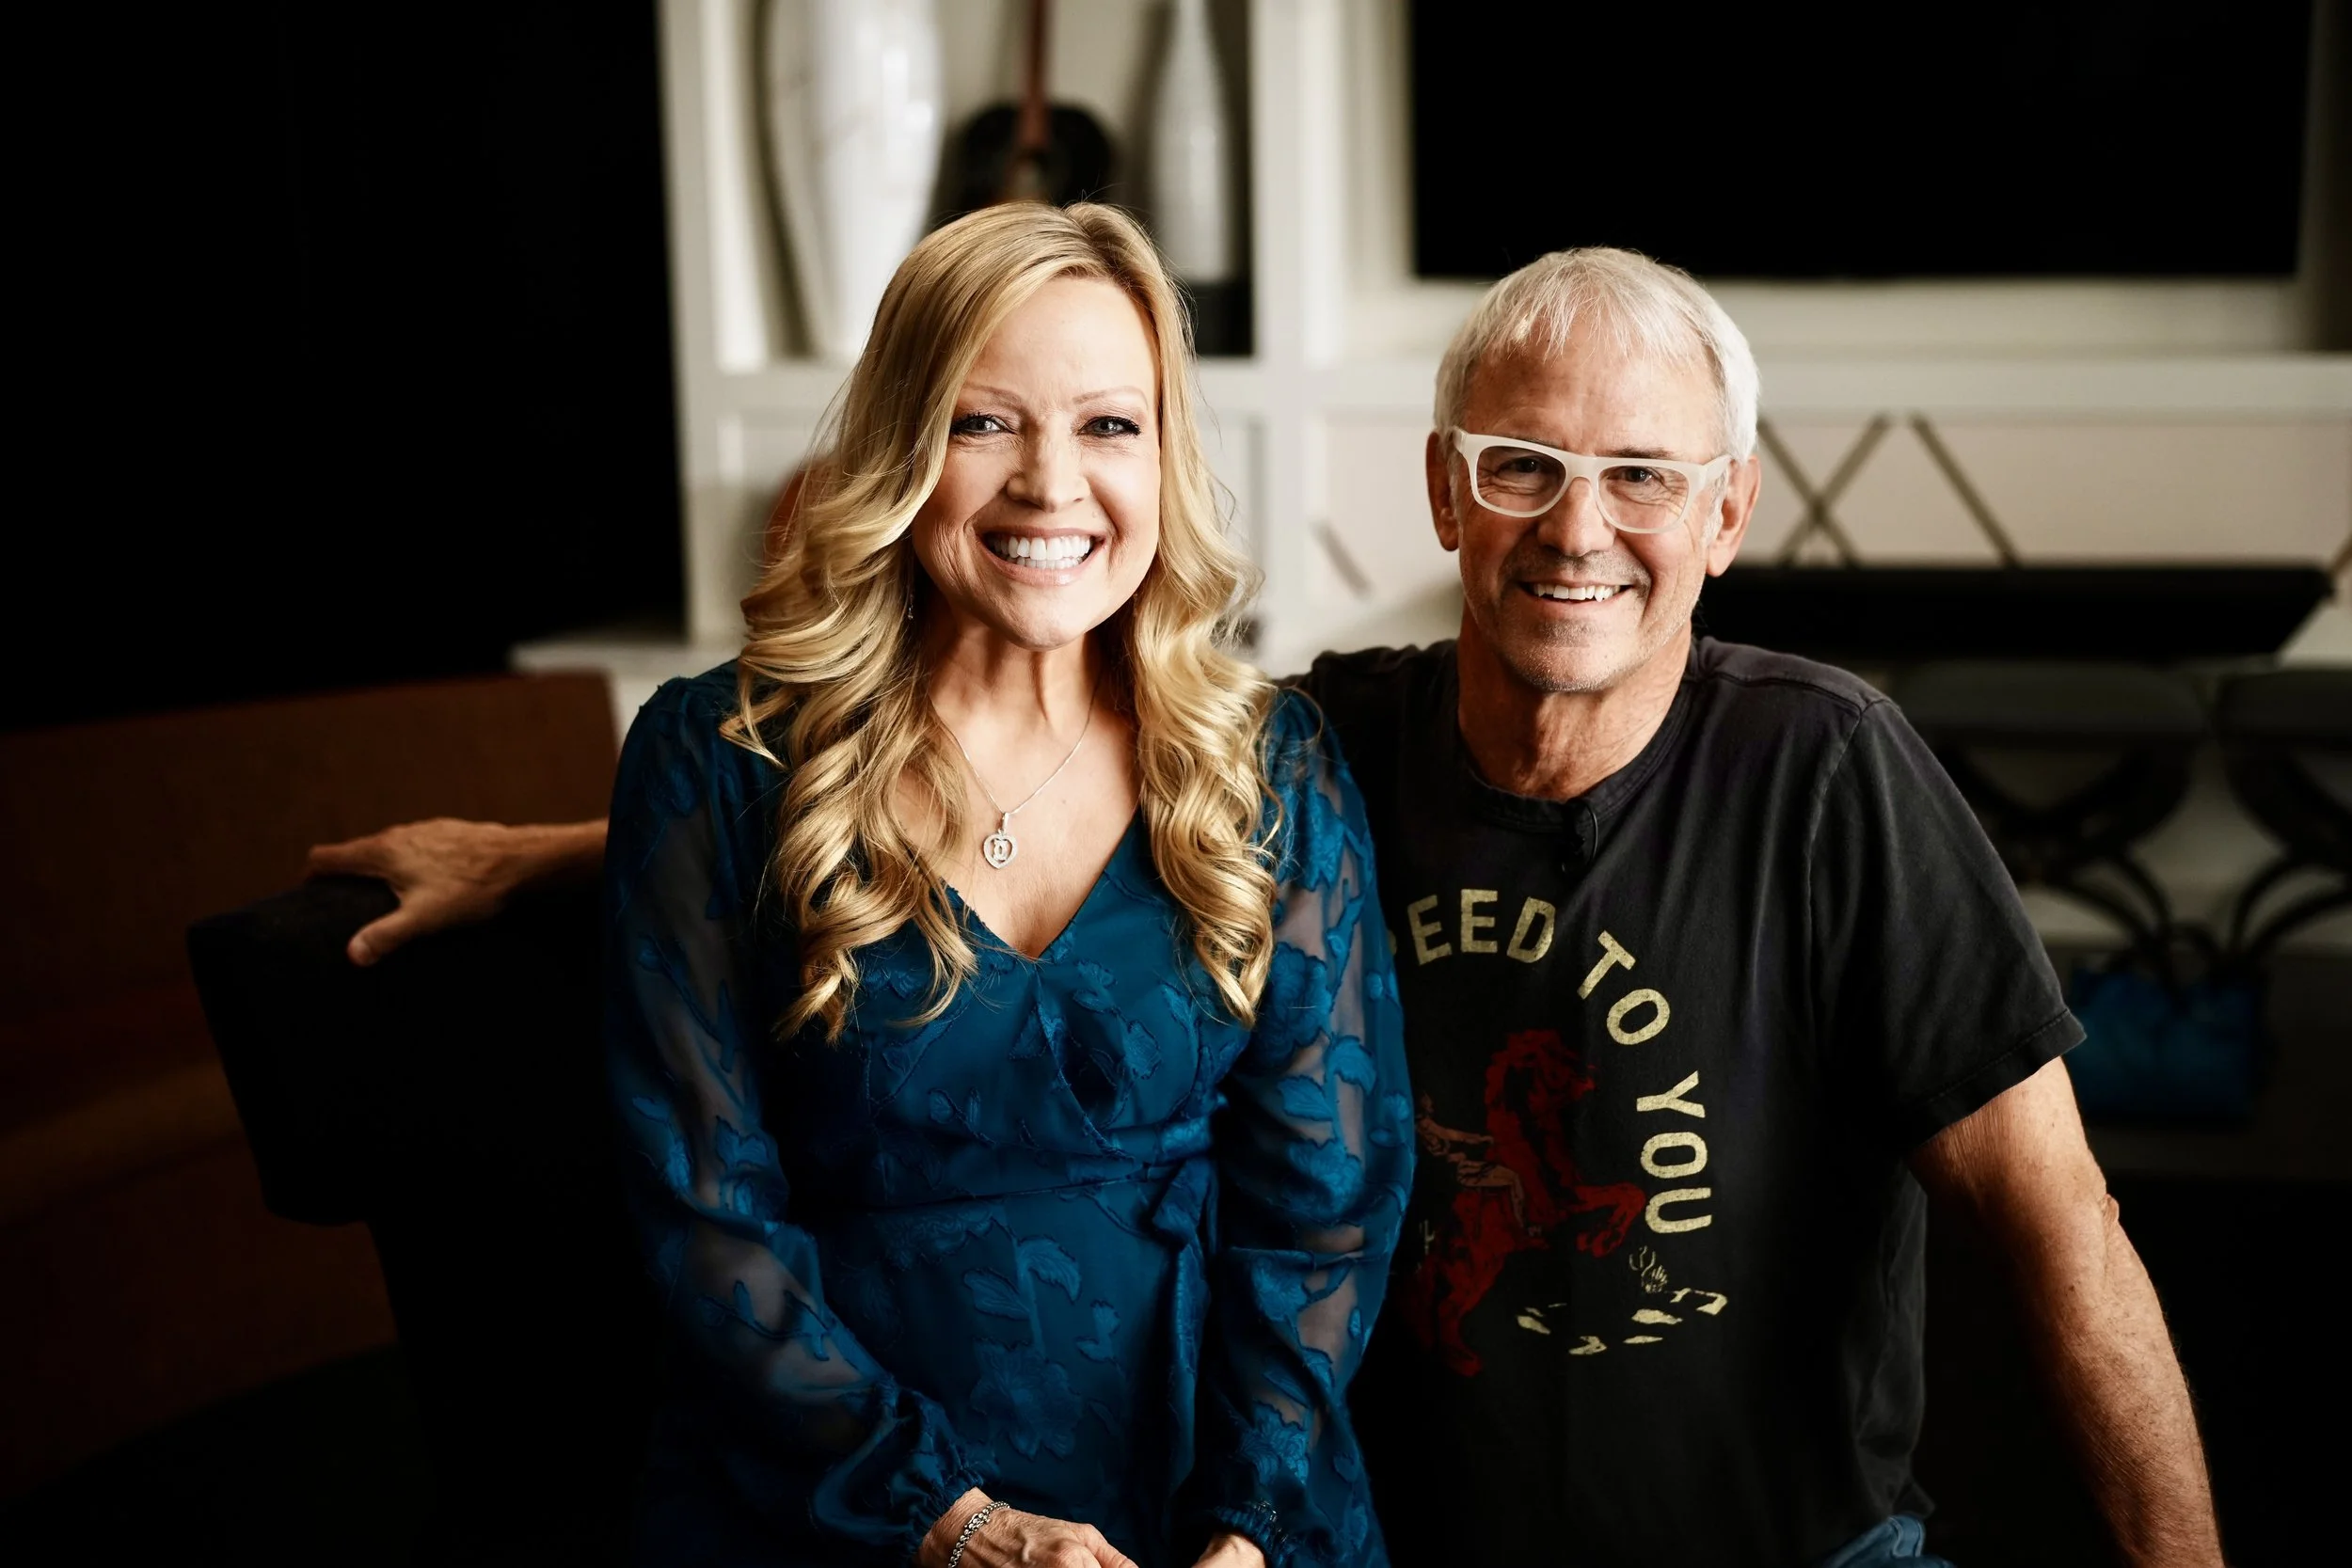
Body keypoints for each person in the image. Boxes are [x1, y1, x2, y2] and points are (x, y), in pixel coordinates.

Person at [315, 246, 2224, 1566]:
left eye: (1641, 475)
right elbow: (909, 814)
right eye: (1520, 466)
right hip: (1213, 1516)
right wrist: (564, 847)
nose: (1576, 527)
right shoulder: (1322, 742)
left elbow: (2060, 1227)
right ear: (1442, 493)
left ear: (1721, 514)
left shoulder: (1799, 769)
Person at [537, 201, 1409, 1568]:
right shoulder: (716, 761)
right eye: (984, 421)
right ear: (898, 448)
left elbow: (1328, 1208)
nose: (1051, 486)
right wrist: (961, 1527)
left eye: (1110, 426)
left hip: (1214, 1493)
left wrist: (1244, 1531)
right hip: (830, 1504)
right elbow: (706, 1220)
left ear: (1167, 456)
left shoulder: (1272, 765)